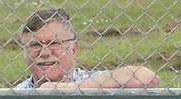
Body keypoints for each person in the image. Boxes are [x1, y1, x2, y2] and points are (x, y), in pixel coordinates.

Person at [14, 8, 159, 90]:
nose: (45, 53)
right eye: (35, 45)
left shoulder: (96, 81)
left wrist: (67, 89)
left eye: (54, 43)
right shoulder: (15, 94)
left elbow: (147, 78)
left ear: (74, 48)